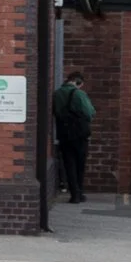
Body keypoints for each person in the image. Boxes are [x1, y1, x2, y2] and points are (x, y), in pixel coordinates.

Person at [53, 68, 95, 204]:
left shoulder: (57, 94)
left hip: (63, 133)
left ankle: (74, 194)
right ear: (77, 82)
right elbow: (90, 113)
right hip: (79, 134)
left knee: (68, 163)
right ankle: (79, 193)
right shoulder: (79, 94)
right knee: (80, 164)